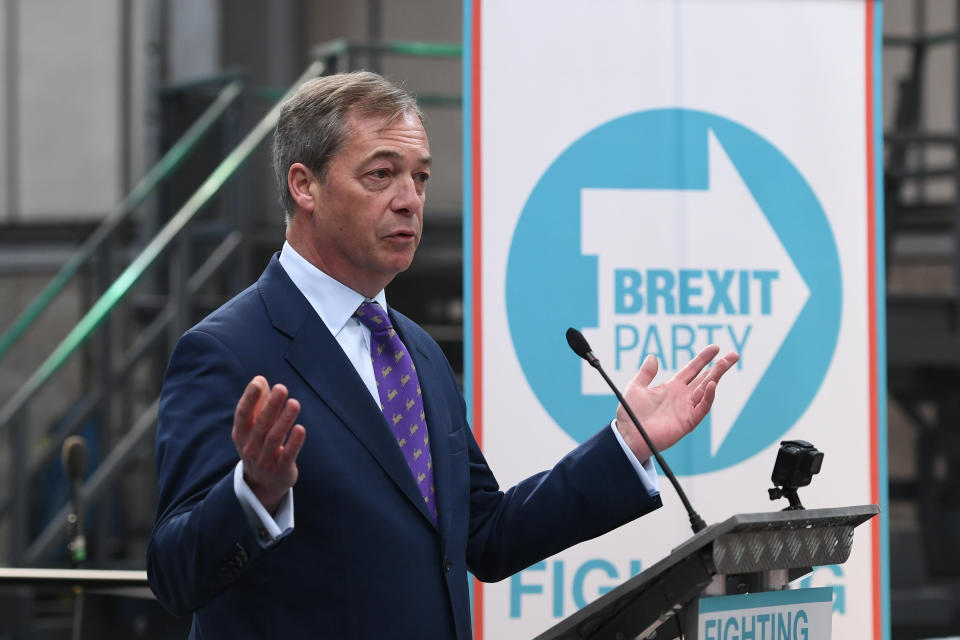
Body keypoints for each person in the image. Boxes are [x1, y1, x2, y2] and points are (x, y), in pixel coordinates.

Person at [146, 71, 738, 639]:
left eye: (421, 179)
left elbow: (484, 533)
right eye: (381, 175)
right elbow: (174, 575)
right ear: (305, 186)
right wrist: (253, 495)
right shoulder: (224, 351)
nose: (410, 200)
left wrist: (625, 444)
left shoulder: (417, 352)